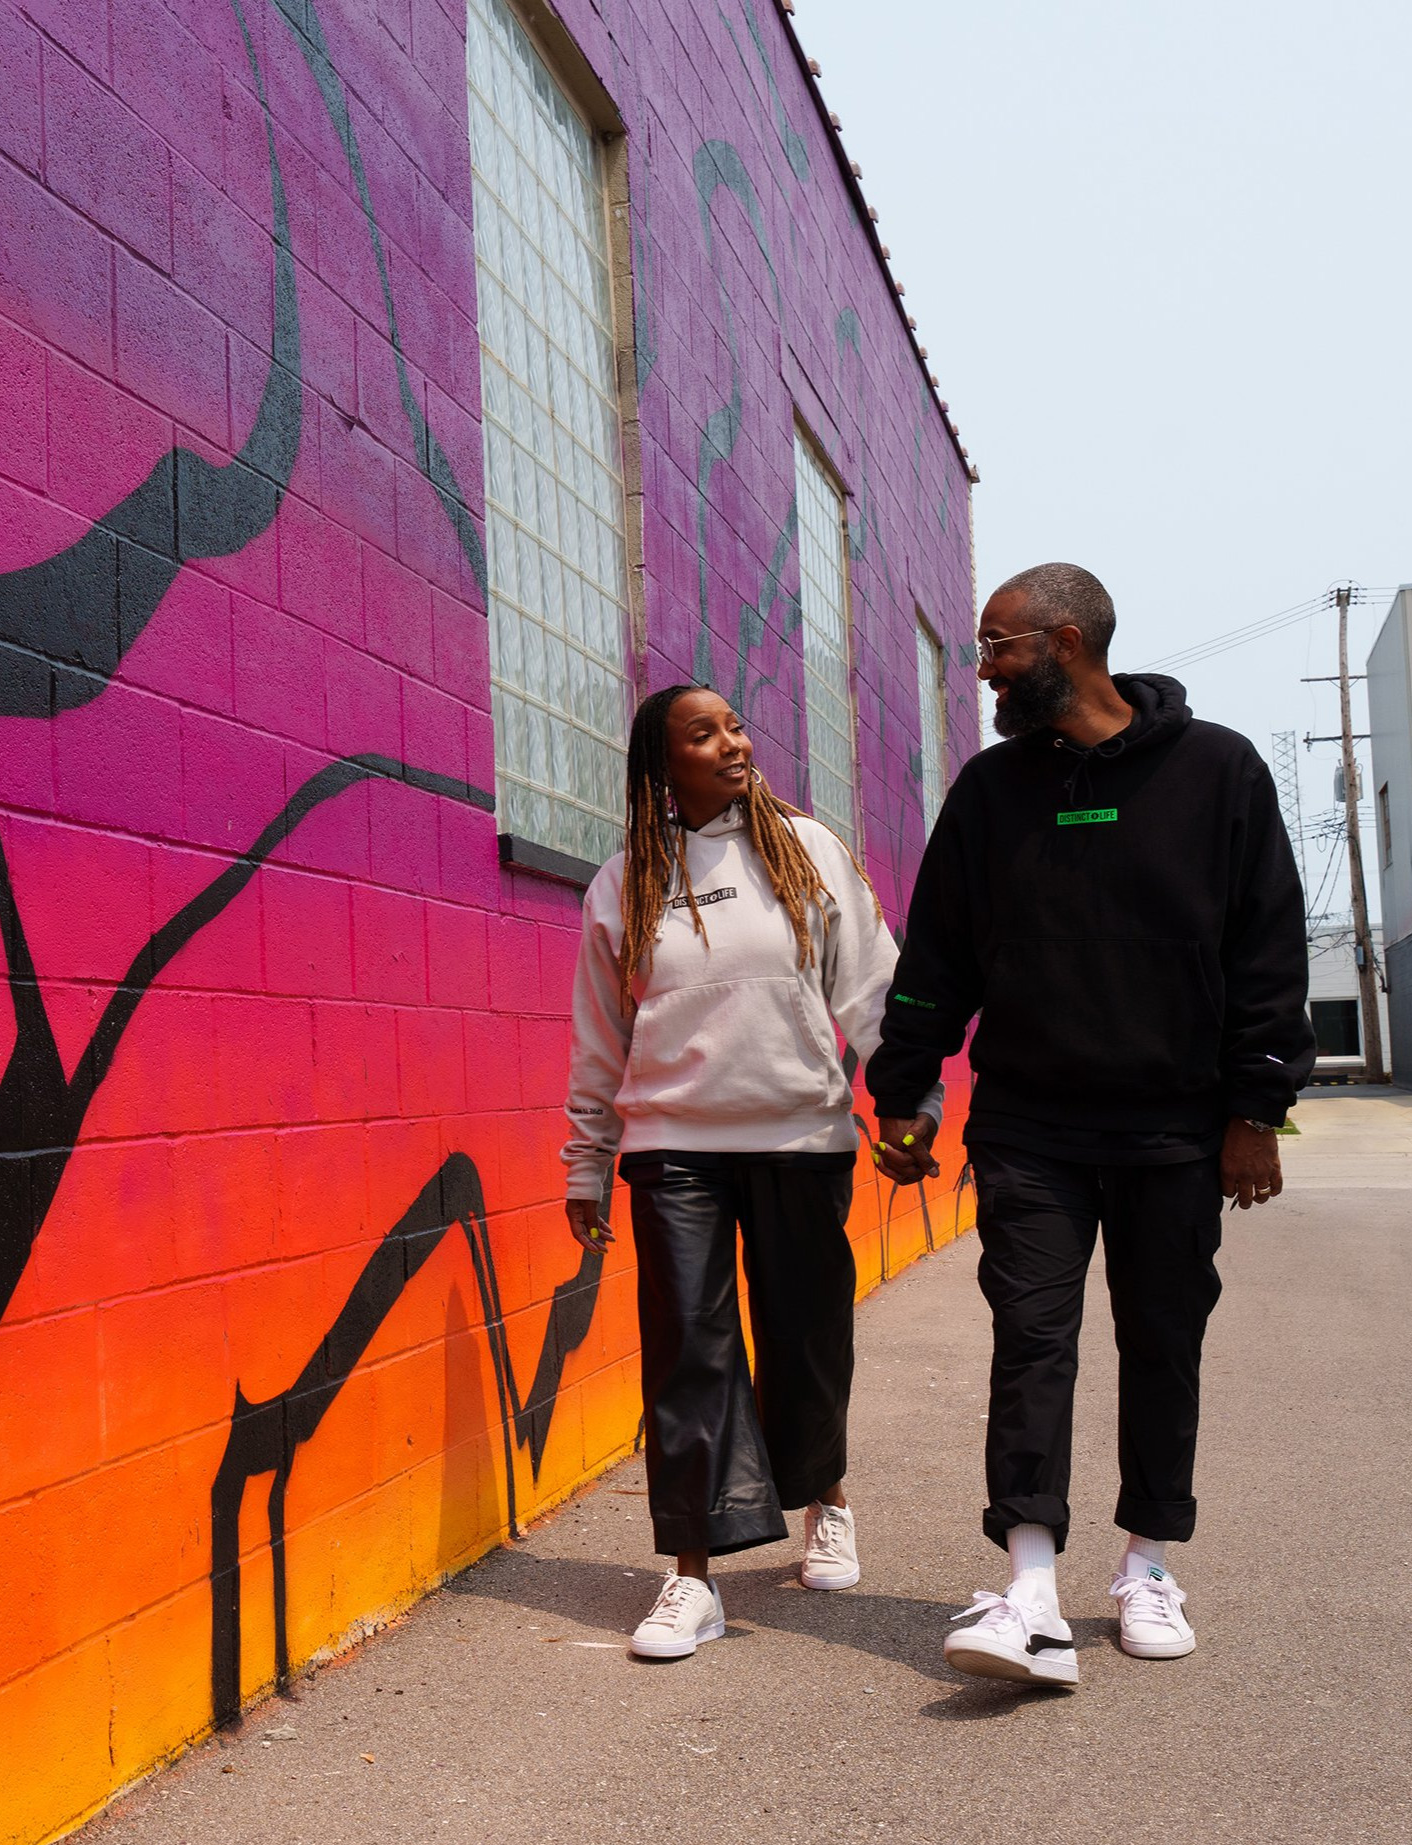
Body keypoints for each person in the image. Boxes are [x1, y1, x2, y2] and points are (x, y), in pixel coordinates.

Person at [868, 562, 1313, 1688]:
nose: (981, 670)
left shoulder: (1217, 773)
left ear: (1064, 643)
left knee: (1163, 1342)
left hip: (1172, 1128)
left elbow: (1266, 949)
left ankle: (1147, 1564)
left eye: (996, 647)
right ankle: (1026, 1584)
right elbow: (937, 959)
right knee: (1032, 1342)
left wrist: (1255, 1108)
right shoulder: (989, 792)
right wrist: (905, 1092)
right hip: (1031, 1127)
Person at [562, 683, 941, 1660]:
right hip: (672, 1147)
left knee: (805, 1338)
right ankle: (691, 1577)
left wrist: (907, 1104)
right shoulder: (624, 885)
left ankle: (825, 1499)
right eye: (705, 733)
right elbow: (599, 1044)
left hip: (800, 1137)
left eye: (735, 725)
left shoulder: (804, 851)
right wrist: (586, 1164)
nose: (733, 742)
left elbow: (866, 985)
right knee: (688, 1352)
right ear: (664, 766)